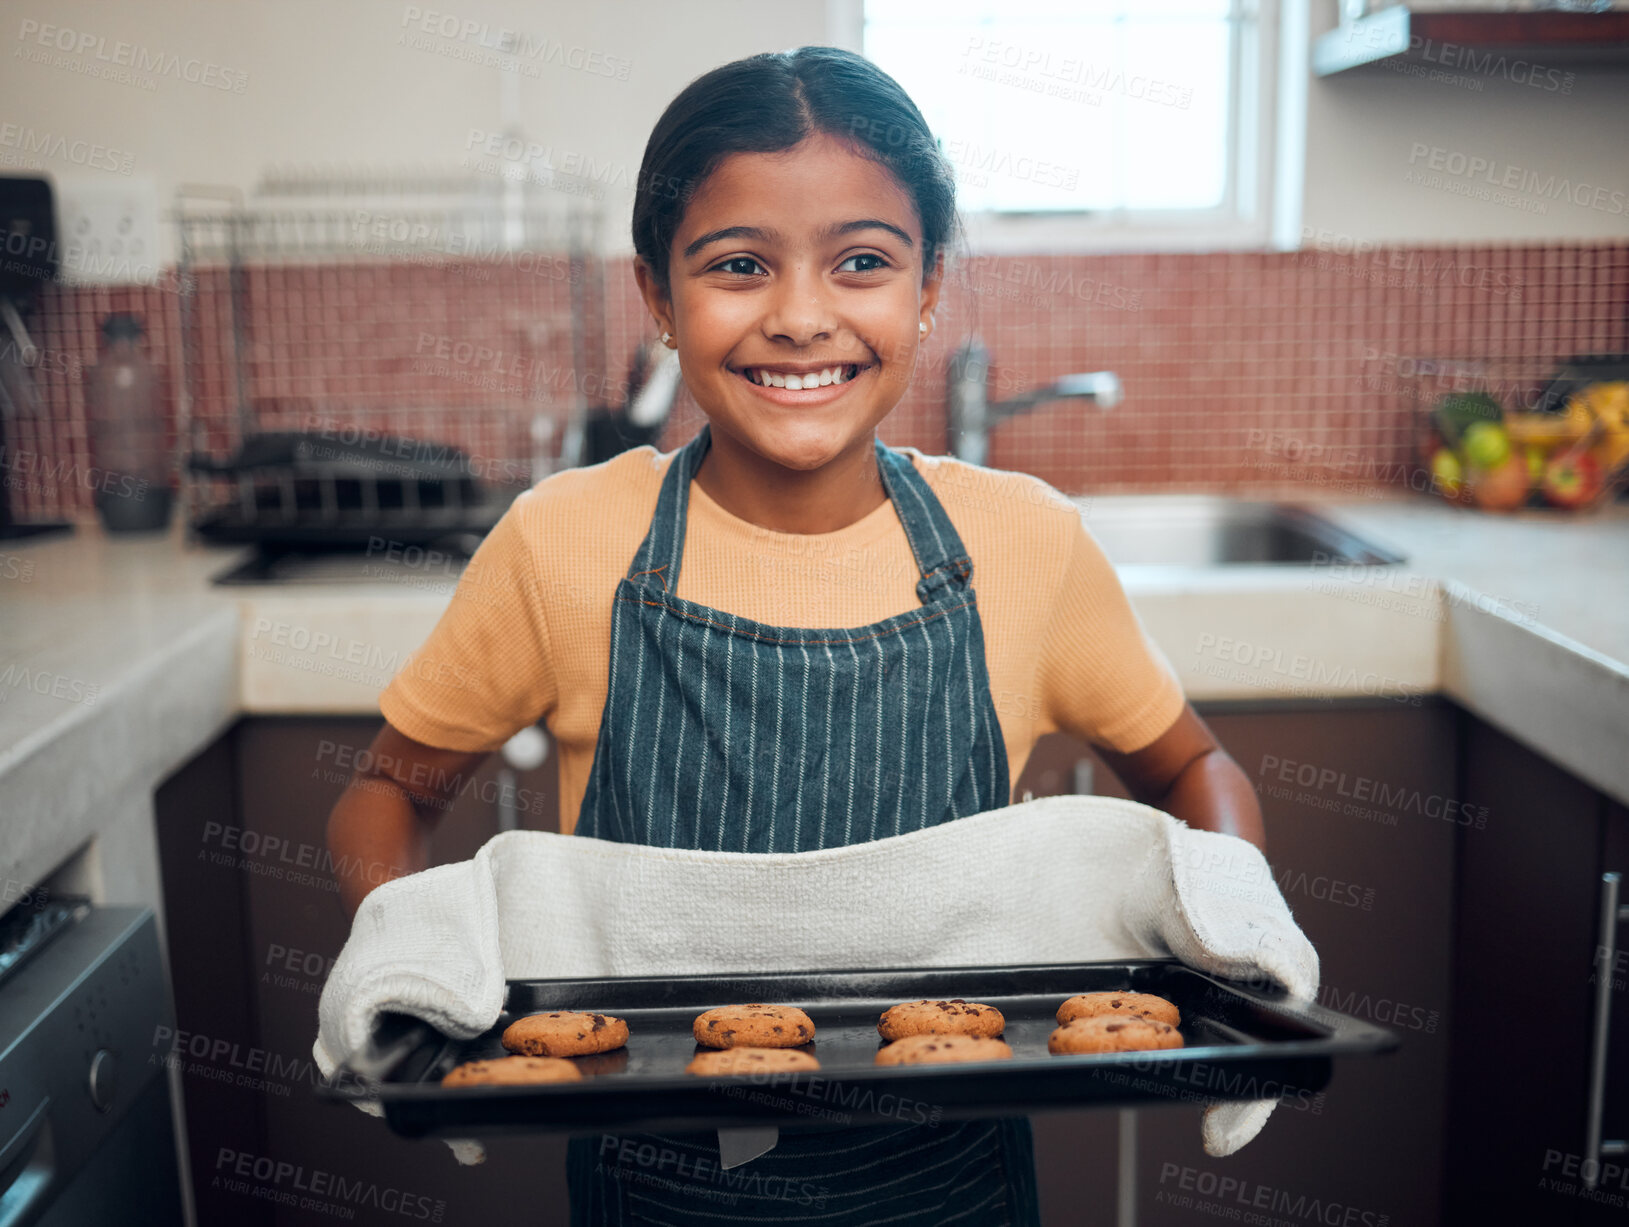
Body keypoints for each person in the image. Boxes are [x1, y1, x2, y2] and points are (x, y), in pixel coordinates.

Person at [326, 44, 1266, 1227]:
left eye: (863, 262)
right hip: (649, 1186)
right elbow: (383, 793)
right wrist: (411, 975)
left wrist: (1242, 934)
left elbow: (1192, 767)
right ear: (659, 298)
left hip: (954, 1185)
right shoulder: (563, 544)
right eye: (738, 266)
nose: (803, 316)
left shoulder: (1025, 544)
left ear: (928, 286)